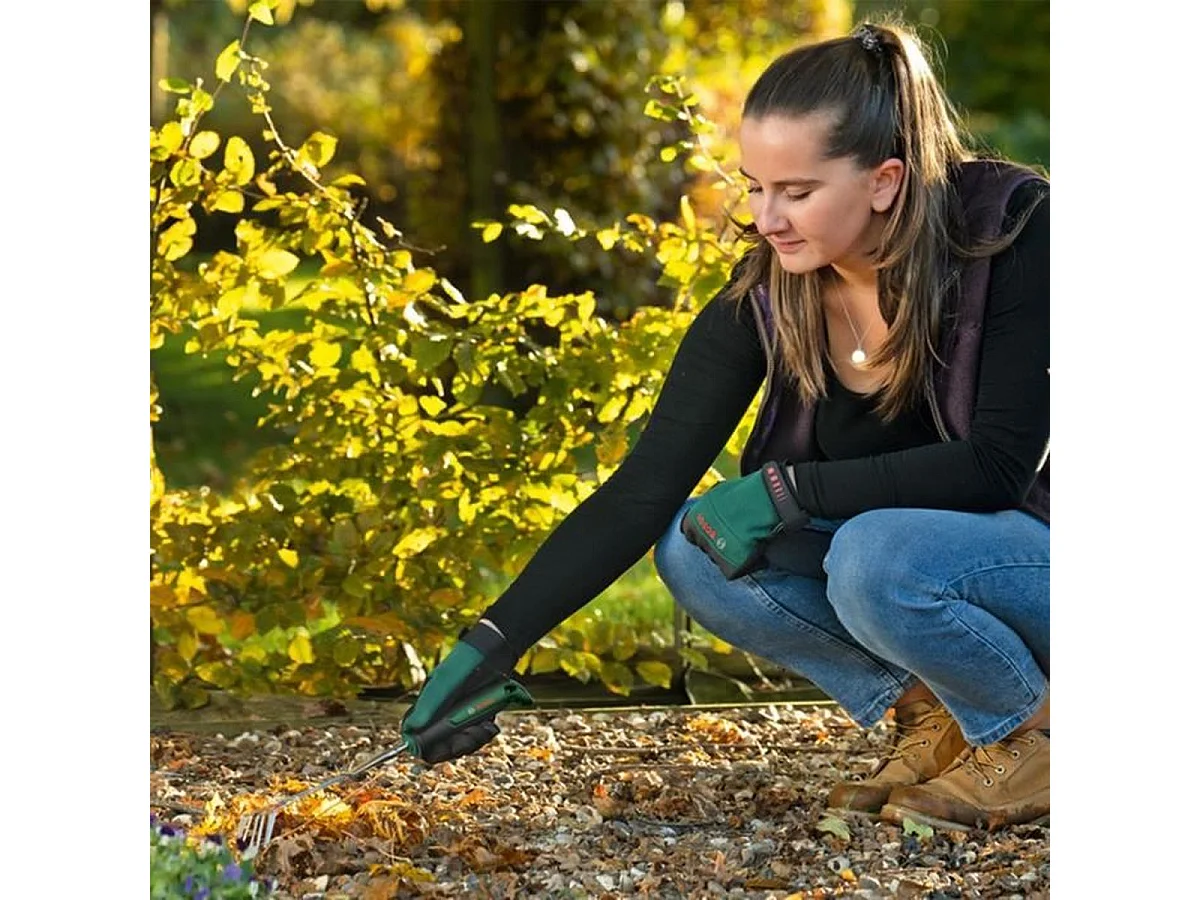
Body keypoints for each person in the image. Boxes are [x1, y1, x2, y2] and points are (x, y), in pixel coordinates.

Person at [400, 20, 1049, 833]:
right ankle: (942, 717)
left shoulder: (1009, 239)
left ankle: (1036, 731)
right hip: (923, 586)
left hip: (1041, 563)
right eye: (755, 186)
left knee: (870, 551)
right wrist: (490, 643)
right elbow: (642, 492)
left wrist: (791, 489)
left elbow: (997, 467)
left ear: (884, 181)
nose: (767, 218)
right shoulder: (774, 294)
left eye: (798, 192)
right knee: (695, 544)